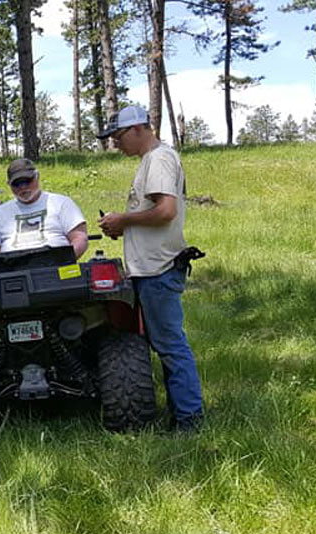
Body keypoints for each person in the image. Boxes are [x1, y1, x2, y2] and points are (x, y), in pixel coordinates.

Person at [98, 105, 204, 432]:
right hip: (152, 270)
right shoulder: (153, 160)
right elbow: (155, 213)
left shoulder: (158, 159)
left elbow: (166, 211)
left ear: (138, 129)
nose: (115, 144)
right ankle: (180, 413)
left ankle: (189, 420)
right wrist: (124, 227)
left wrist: (123, 219)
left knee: (170, 346)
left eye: (118, 137)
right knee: (165, 344)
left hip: (159, 269)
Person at [0, 159, 89, 258]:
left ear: (37, 176)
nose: (23, 187)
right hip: (12, 272)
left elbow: (80, 238)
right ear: (8, 184)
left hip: (55, 268)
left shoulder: (61, 203)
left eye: (27, 181)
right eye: (16, 184)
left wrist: (65, 261)